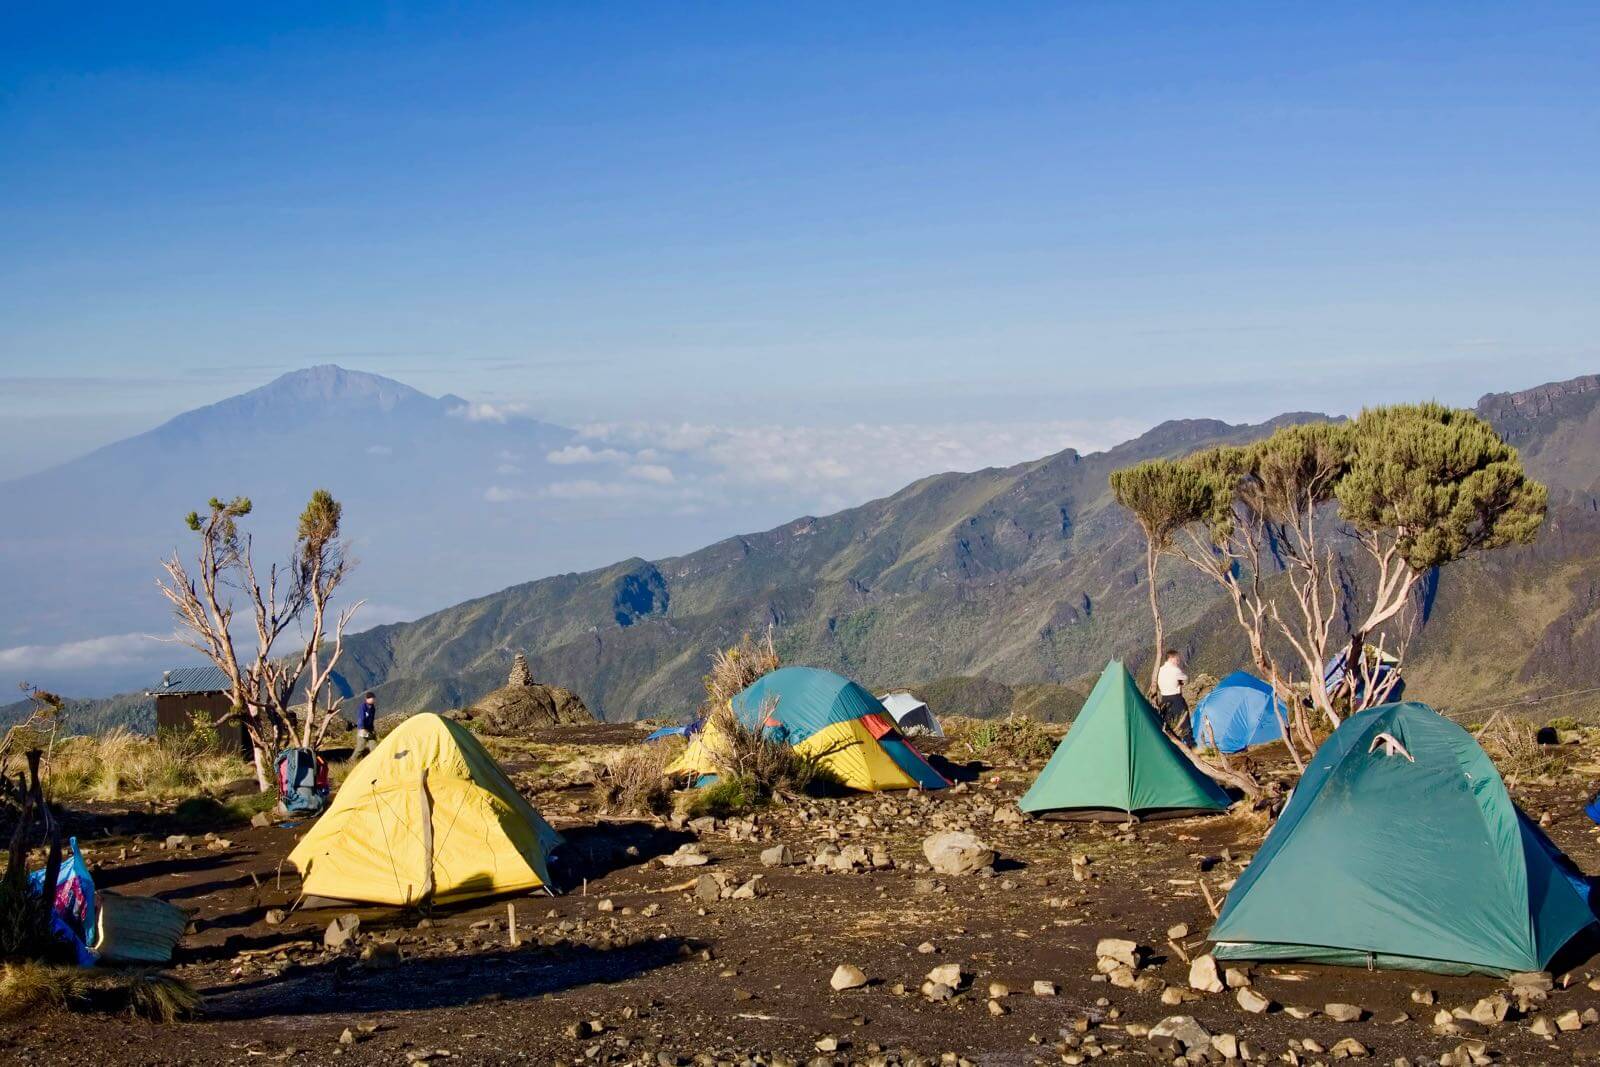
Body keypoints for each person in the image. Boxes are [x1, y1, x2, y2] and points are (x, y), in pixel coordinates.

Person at [1156, 650, 1192, 744]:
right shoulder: (1175, 670)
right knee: (1185, 721)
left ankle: (1170, 743)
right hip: (1176, 698)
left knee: (1168, 722)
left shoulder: (1160, 670)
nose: (1178, 661)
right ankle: (1189, 743)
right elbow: (1185, 678)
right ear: (1171, 659)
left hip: (1164, 698)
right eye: (1177, 659)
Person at [354, 691, 378, 757]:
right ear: (367, 699)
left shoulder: (373, 708)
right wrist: (362, 728)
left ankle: (376, 760)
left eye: (373, 698)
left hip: (370, 730)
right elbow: (361, 718)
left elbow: (371, 720)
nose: (373, 699)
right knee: (360, 748)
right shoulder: (362, 707)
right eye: (372, 698)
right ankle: (350, 762)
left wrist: (373, 729)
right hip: (362, 730)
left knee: (374, 747)